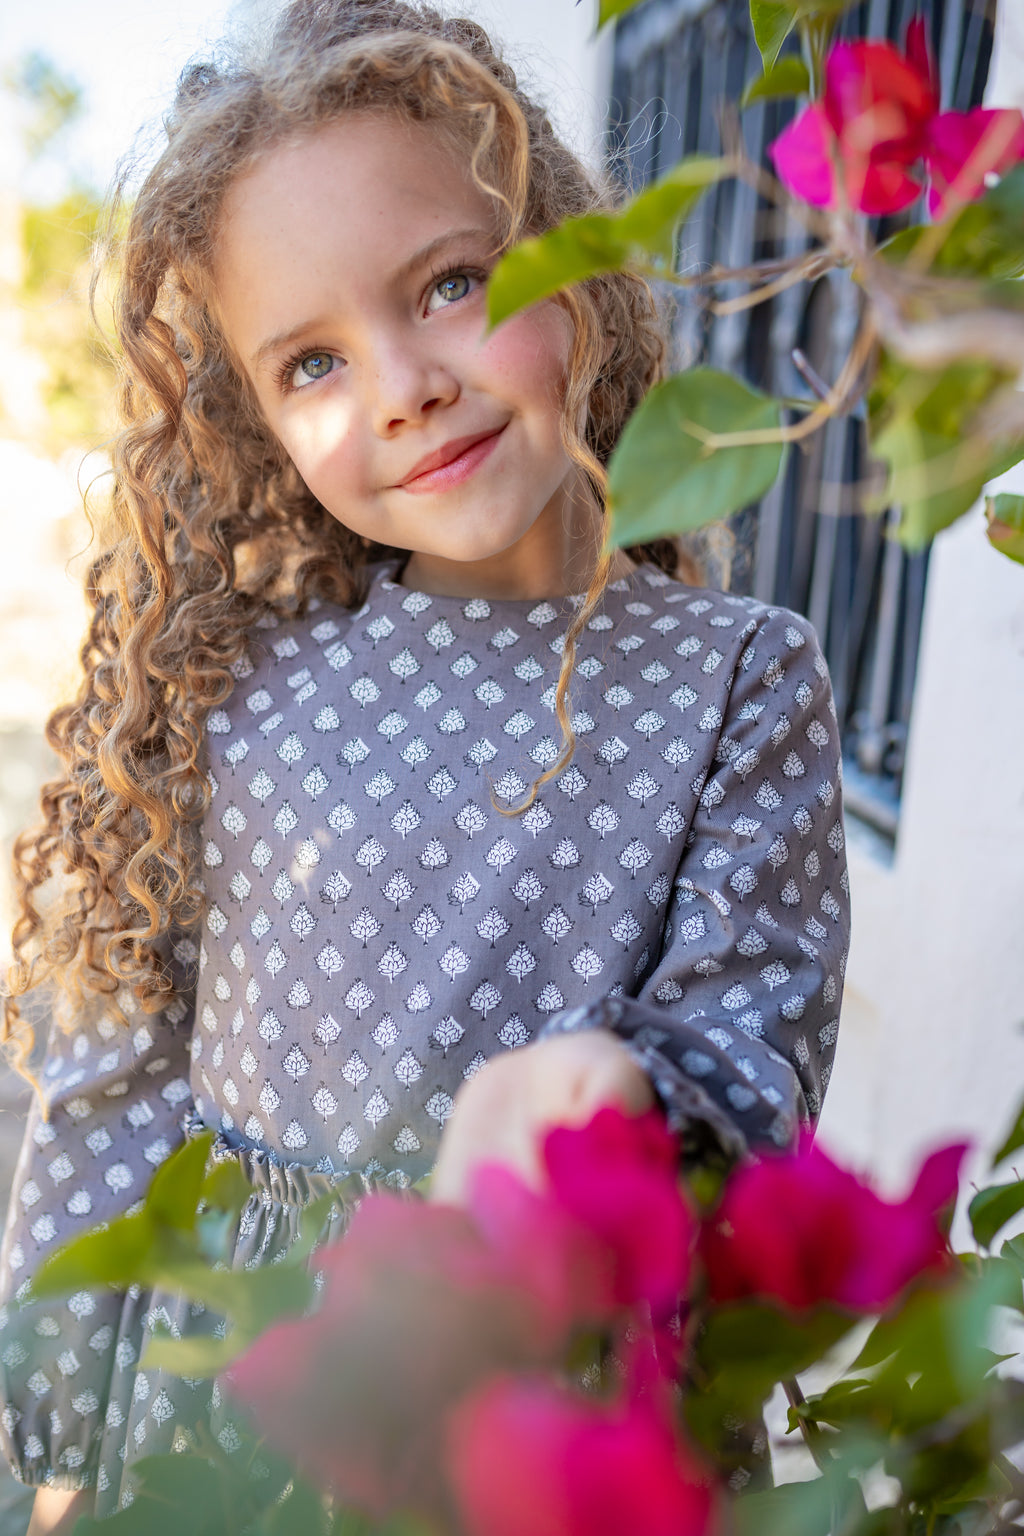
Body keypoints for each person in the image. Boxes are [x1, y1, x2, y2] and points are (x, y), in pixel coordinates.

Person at [0, 0, 850, 1527]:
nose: (400, 383)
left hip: (566, 1381)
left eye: (453, 284)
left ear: (574, 267)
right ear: (255, 427)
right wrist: (65, 1437)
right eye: (311, 365)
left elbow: (753, 1044)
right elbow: (117, 1064)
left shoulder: (739, 677)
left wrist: (623, 1085)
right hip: (260, 1382)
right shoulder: (245, 677)